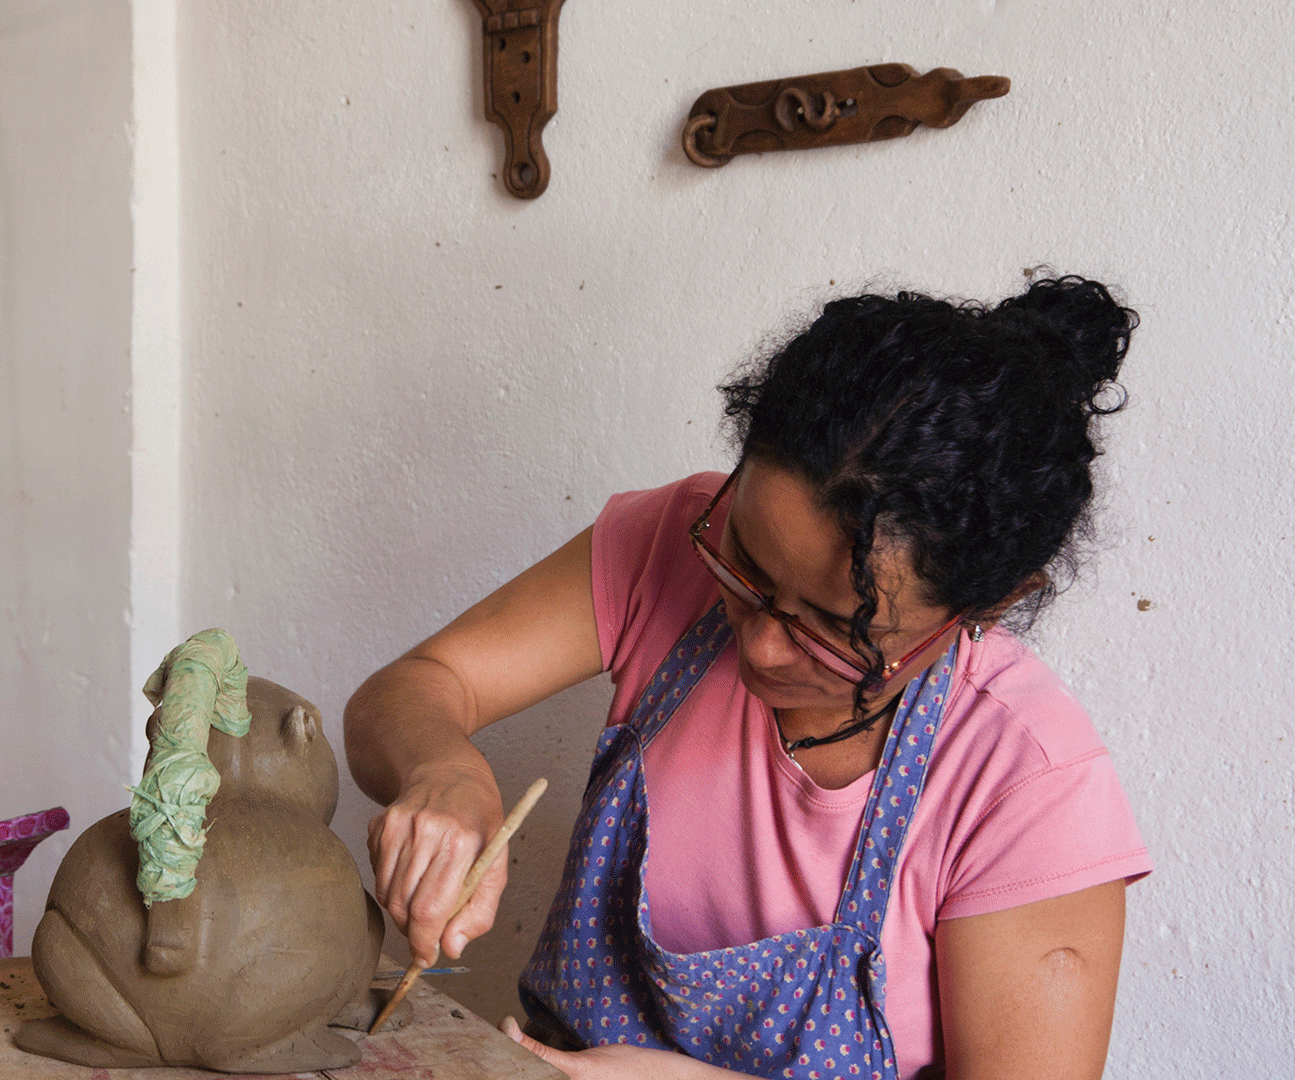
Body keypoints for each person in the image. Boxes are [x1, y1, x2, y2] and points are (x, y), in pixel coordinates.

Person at [346, 276, 1151, 1080]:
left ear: (991, 605)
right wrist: (444, 771)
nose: (763, 647)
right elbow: (419, 684)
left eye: (839, 630)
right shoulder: (663, 544)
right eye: (744, 567)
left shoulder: (1025, 784)